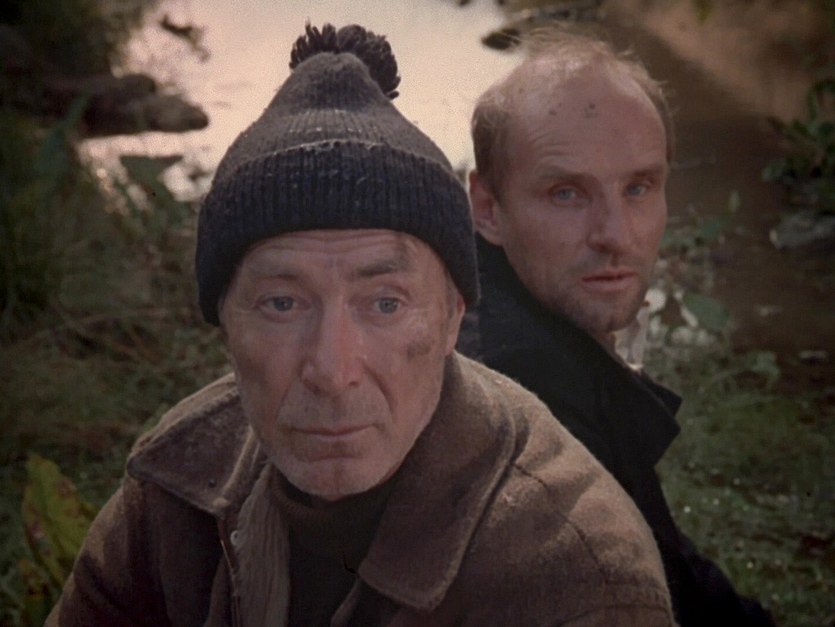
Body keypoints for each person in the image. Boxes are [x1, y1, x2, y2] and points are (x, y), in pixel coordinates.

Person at [47, 23, 675, 626]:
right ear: (225, 324)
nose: (333, 370)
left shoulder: (576, 583)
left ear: (453, 319)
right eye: (282, 304)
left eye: (385, 304)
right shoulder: (174, 482)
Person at [462, 29, 774, 626]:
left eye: (638, 187)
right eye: (566, 193)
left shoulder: (533, 320)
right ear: (488, 208)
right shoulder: (519, 396)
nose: (616, 234)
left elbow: (666, 560)